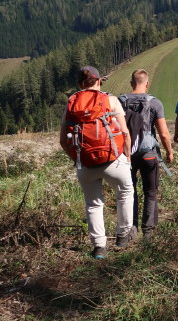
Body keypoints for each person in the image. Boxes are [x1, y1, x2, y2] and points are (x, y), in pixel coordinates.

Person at [59, 66, 134, 260]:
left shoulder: (71, 103)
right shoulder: (110, 100)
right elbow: (125, 133)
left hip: (85, 163)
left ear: (80, 84)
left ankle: (99, 247)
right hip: (113, 158)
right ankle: (123, 236)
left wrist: (77, 159)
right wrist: (127, 158)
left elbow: (62, 141)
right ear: (99, 81)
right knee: (125, 192)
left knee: (93, 203)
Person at [119, 69, 173, 239]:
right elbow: (163, 133)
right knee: (150, 191)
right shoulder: (154, 103)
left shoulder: (121, 101)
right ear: (147, 83)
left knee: (129, 191)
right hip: (148, 153)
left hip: (126, 154)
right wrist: (169, 152)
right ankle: (148, 231)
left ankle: (131, 229)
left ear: (131, 83)